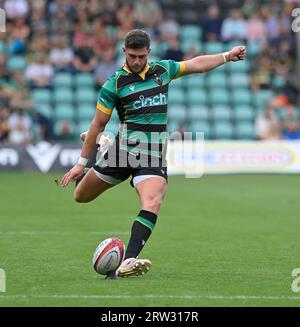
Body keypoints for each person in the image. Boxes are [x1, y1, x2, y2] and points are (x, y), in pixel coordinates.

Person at [60, 29, 246, 279]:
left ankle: (128, 260)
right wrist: (81, 164)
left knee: (152, 202)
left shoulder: (163, 70)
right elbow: (97, 124)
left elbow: (196, 64)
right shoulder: (114, 83)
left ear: (149, 52)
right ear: (124, 51)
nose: (136, 61)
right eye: (132, 56)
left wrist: (227, 56)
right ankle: (105, 146)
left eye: (141, 56)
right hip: (122, 153)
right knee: (80, 196)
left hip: (152, 155)